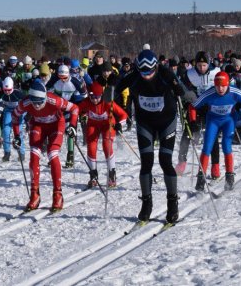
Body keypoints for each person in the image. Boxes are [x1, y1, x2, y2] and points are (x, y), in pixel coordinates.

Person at [115, 49, 184, 224]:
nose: (146, 76)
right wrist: (109, 86)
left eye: (150, 72)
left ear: (155, 68)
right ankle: (146, 204)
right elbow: (117, 87)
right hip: (145, 122)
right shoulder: (135, 75)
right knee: (146, 162)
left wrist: (180, 91)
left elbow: (181, 91)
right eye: (143, 72)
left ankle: (172, 203)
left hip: (166, 122)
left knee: (165, 160)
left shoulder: (165, 73)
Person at [12, 79, 79, 212]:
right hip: (38, 125)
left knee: (52, 154)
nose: (37, 106)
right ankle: (35, 194)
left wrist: (72, 126)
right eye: (34, 102)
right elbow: (14, 116)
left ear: (45, 98)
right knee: (34, 156)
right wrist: (17, 136)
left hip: (56, 124)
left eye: (40, 102)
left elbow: (75, 108)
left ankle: (57, 194)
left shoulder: (54, 100)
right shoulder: (25, 102)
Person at [189, 71, 241, 191]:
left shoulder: (235, 92)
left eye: (223, 86)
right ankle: (201, 178)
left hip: (228, 121)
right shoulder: (209, 93)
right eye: (217, 86)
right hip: (213, 121)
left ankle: (229, 177)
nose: (220, 89)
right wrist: (193, 121)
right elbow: (193, 106)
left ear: (228, 84)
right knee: (207, 147)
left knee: (226, 145)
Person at [176, 51, 221, 177]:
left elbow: (224, 85)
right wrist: (184, 99)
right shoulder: (190, 74)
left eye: (204, 65)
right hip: (194, 107)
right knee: (187, 134)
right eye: (199, 65)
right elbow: (182, 88)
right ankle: (181, 162)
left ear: (208, 64)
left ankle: (215, 166)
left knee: (212, 137)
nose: (201, 68)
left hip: (211, 108)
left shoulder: (216, 72)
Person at [75, 82, 128, 188]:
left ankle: (111, 174)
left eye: (97, 97)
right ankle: (93, 175)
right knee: (91, 147)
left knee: (106, 145)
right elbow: (75, 111)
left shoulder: (107, 102)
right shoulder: (86, 102)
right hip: (93, 125)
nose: (94, 100)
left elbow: (123, 115)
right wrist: (80, 116)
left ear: (101, 95)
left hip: (107, 125)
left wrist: (119, 124)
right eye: (92, 97)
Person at [45, 64, 87, 168]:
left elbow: (84, 95)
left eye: (65, 77)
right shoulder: (55, 79)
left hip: (70, 107)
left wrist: (82, 111)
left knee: (70, 131)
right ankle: (53, 156)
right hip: (58, 107)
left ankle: (70, 155)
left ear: (68, 75)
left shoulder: (75, 81)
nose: (63, 79)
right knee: (55, 131)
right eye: (60, 77)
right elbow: (45, 90)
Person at [0, 77, 26, 162]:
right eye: (5, 90)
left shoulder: (18, 93)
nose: (7, 92)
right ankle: (7, 153)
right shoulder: (1, 93)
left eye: (9, 90)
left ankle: (21, 153)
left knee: (18, 132)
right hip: (8, 111)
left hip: (18, 111)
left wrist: (26, 115)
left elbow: (27, 103)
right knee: (5, 131)